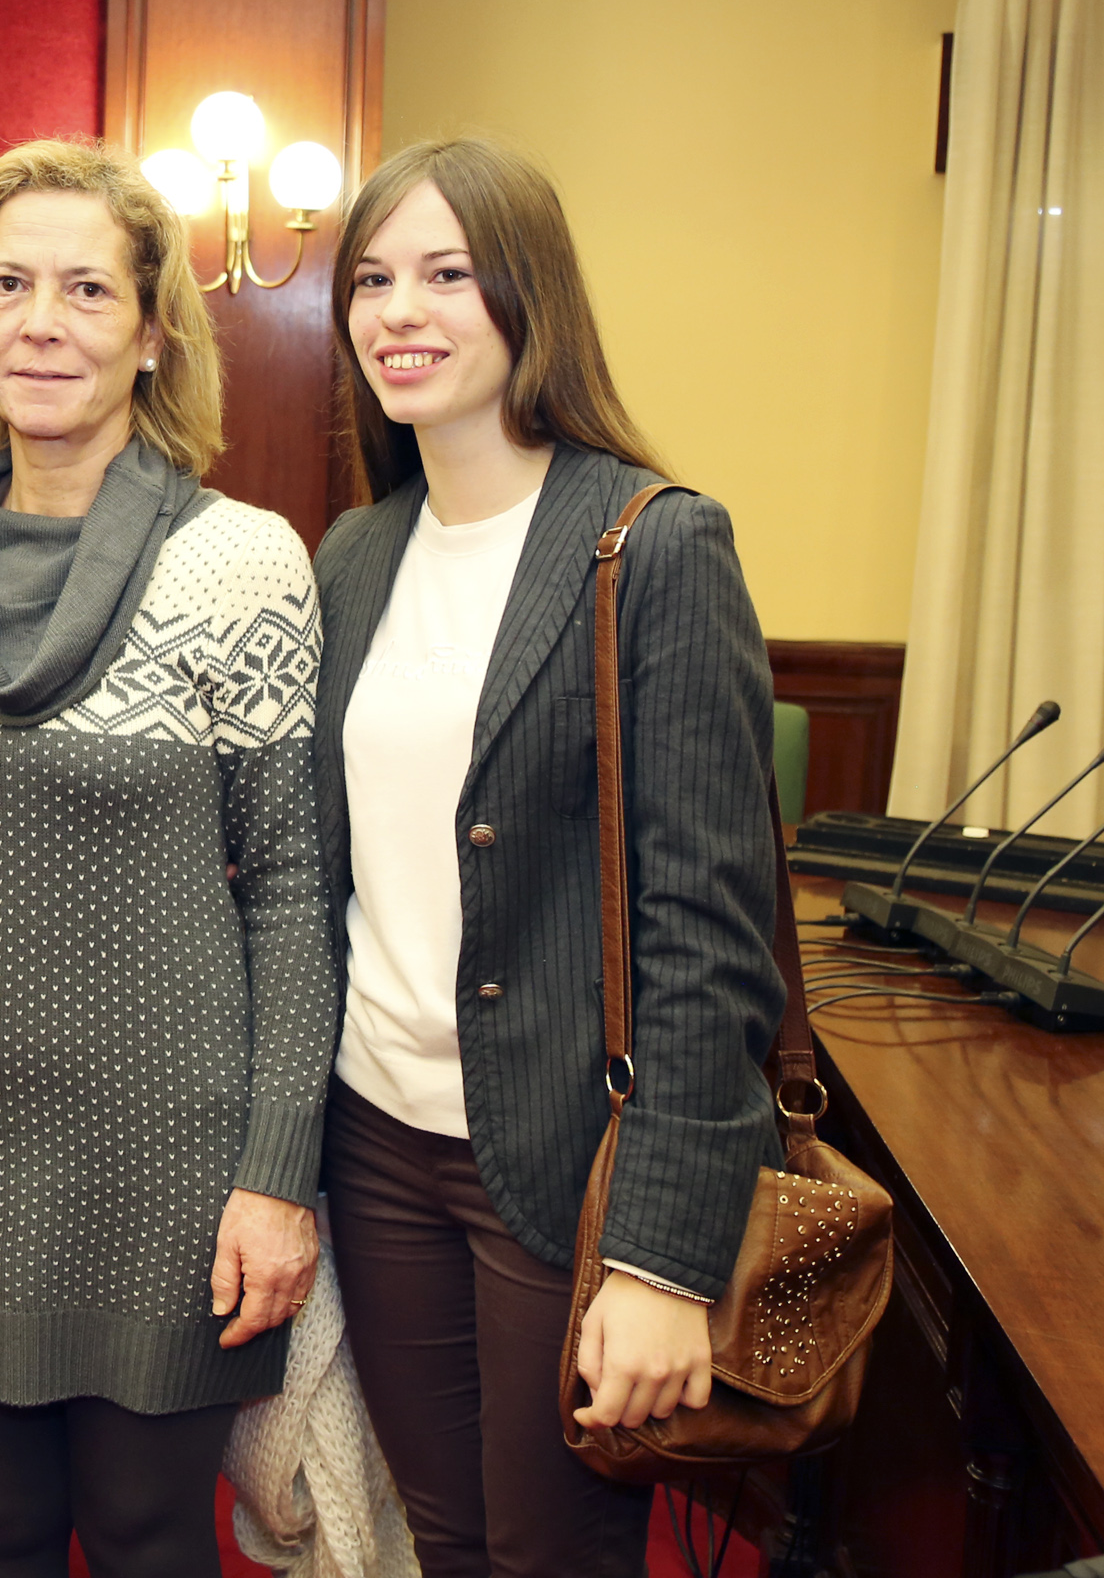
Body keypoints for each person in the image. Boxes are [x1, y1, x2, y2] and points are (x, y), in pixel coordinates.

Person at [0, 137, 335, 1578]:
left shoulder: (242, 559)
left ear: (154, 332)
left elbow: (293, 889)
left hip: (169, 1152)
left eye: (87, 290)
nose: (41, 323)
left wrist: (277, 1173)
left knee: (142, 1535)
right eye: (8, 287)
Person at [311, 136, 783, 1578]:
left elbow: (709, 937)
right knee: (445, 1540)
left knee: (554, 1558)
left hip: (566, 1155)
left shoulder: (653, 544)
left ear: (530, 297)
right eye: (372, 279)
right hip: (377, 1140)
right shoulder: (353, 555)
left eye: (448, 274)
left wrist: (661, 1257)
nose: (401, 312)